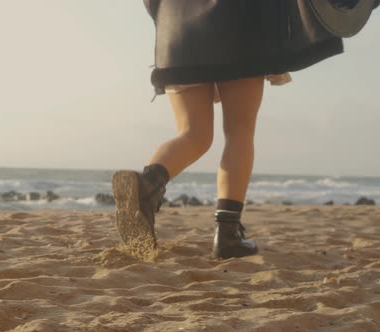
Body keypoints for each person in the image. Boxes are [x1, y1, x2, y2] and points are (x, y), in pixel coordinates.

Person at [112, 0, 347, 259]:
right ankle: (227, 235)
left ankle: (145, 186)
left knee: (193, 134)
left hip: (176, 30)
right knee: (239, 132)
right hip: (240, 28)